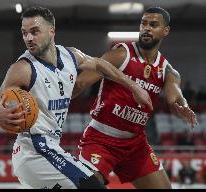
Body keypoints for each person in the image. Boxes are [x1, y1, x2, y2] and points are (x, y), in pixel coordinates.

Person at [0, 6, 152, 189]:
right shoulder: (22, 69)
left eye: (34, 31)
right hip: (33, 152)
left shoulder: (71, 55)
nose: (29, 38)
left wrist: (134, 87)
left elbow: (100, 64)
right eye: (24, 33)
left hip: (51, 148)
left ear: (52, 31)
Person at [73, 7, 198, 189]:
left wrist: (183, 106)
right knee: (87, 187)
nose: (146, 28)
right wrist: (57, 99)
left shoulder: (167, 71)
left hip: (135, 144)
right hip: (101, 139)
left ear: (165, 31)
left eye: (153, 25)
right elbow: (81, 83)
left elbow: (175, 97)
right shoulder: (121, 54)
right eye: (144, 23)